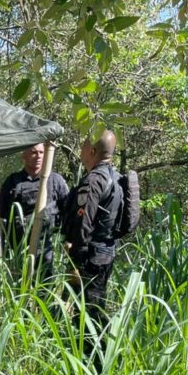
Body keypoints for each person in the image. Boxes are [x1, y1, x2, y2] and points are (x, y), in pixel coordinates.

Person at [60, 129, 124, 360]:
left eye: (84, 145)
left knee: (87, 314)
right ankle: (93, 360)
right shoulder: (116, 178)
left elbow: (83, 223)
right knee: (94, 307)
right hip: (106, 253)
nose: (80, 150)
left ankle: (93, 364)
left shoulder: (94, 180)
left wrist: (75, 261)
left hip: (90, 257)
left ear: (93, 151)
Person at [0, 143, 69, 277]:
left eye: (42, 153)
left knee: (45, 288)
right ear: (23, 156)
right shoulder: (13, 181)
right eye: (33, 152)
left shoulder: (56, 180)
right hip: (19, 248)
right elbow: (2, 216)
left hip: (46, 247)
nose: (38, 156)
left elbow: (68, 211)